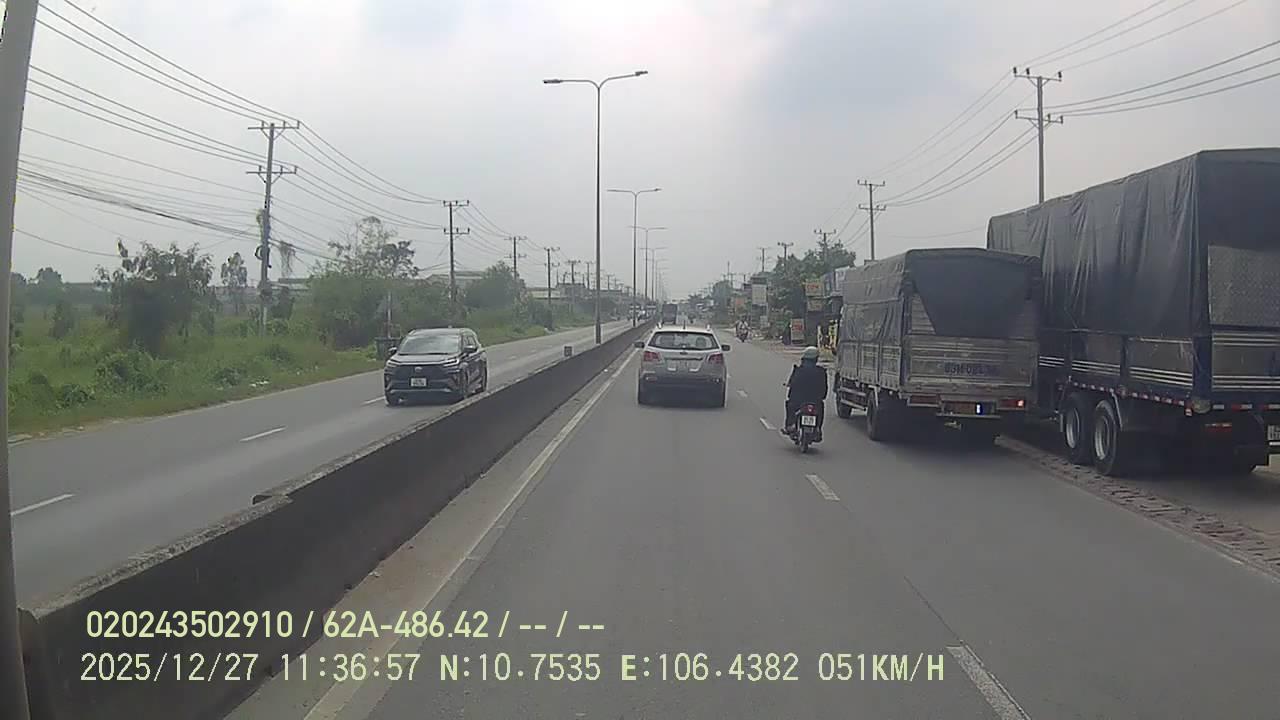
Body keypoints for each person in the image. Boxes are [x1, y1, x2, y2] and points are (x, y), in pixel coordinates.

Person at [782, 346, 828, 438]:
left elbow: (792, 383)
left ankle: (791, 425)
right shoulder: (821, 371)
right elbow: (824, 388)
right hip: (815, 400)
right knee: (820, 408)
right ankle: (818, 428)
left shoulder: (798, 370)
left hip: (798, 400)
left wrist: (789, 386)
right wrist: (821, 396)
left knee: (790, 406)